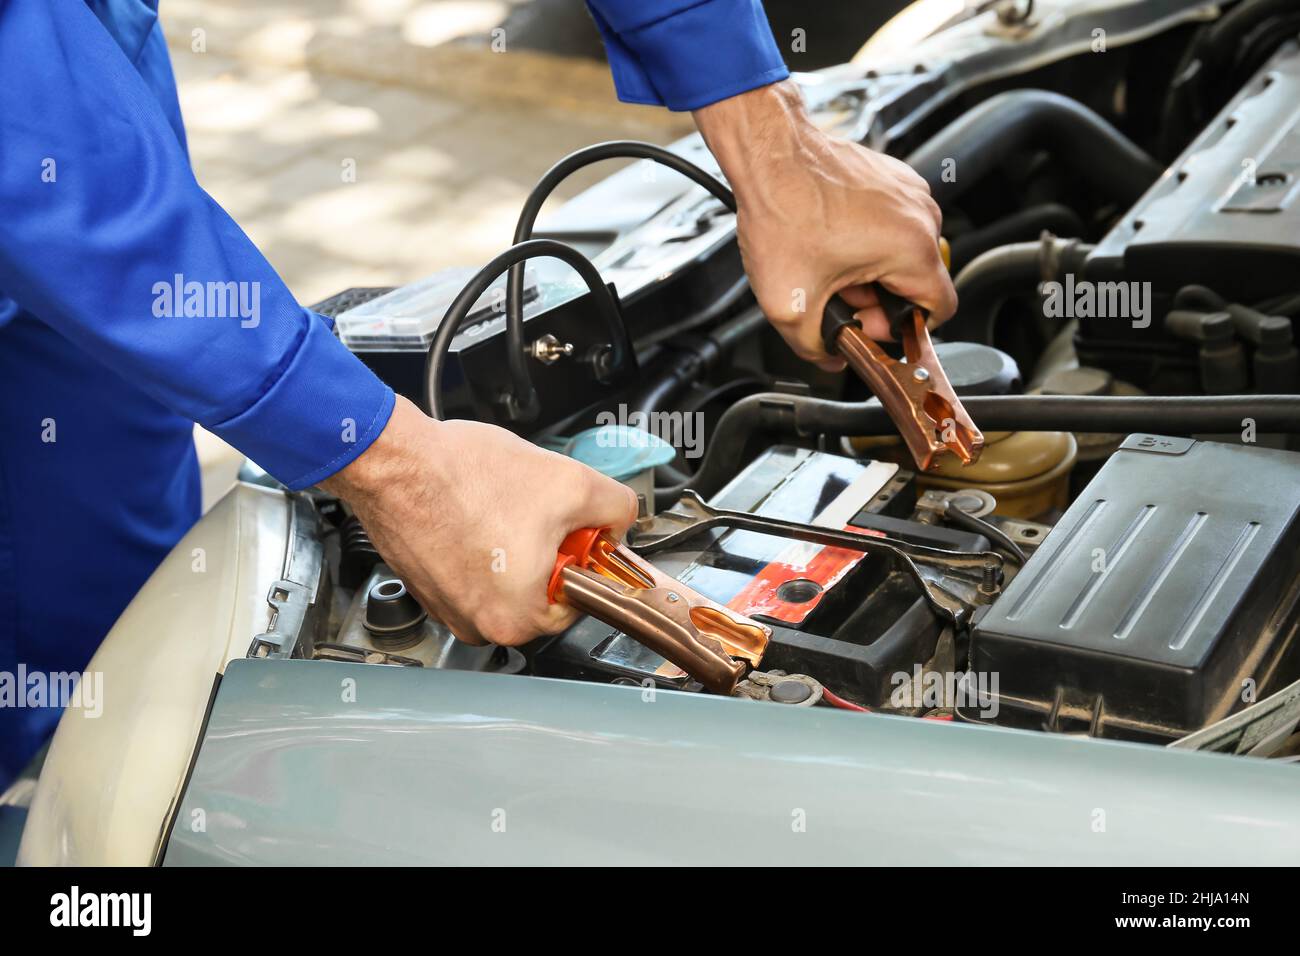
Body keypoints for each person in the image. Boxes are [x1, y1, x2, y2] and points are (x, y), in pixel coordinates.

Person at [0, 0, 954, 783]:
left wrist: (769, 137)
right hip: (46, 135)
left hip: (86, 95)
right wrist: (395, 465)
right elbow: (34, 143)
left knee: (109, 672)